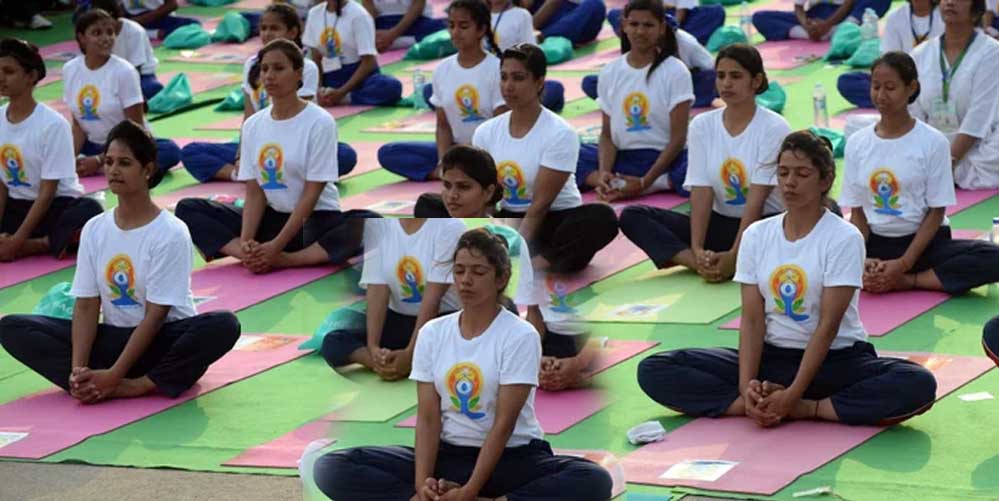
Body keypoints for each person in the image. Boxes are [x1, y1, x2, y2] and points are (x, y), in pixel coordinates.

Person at [636, 130, 938, 427]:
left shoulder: (844, 237)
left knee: (917, 382)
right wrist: (747, 387)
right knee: (655, 368)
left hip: (835, 361)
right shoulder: (756, 235)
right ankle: (753, 405)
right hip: (771, 359)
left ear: (825, 181)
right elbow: (752, 320)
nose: (789, 182)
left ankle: (811, 408)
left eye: (802, 174)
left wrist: (795, 396)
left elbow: (828, 326)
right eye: (783, 173)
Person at [313, 228, 613, 501]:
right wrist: (421, 485)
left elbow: (503, 425)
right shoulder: (432, 333)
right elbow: (428, 418)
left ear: (500, 279)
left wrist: (469, 491)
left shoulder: (520, 335)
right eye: (459, 271)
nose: (466, 281)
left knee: (593, 479)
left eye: (478, 272)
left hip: (511, 458)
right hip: (447, 456)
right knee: (331, 466)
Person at [0, 120, 241, 403]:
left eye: (124, 163)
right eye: (109, 161)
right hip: (114, 339)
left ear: (148, 170)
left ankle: (139, 384)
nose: (113, 170)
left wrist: (116, 375)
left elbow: (155, 316)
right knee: (12, 327)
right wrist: (78, 368)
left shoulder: (170, 232)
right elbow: (87, 304)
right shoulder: (95, 228)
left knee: (224, 324)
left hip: (162, 341)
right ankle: (87, 382)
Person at [174, 40, 377, 274]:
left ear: (298, 73)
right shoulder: (253, 125)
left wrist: (277, 248)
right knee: (187, 208)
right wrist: (247, 242)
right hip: (271, 219)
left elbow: (311, 194)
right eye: (265, 69)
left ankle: (288, 260)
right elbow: (255, 191)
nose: (269, 76)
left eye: (279, 68)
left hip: (313, 223)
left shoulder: (319, 122)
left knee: (369, 221)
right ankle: (250, 256)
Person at [413, 146, 596, 391]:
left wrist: (530, 358)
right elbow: (431, 300)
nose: (452, 195)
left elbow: (531, 312)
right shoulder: (444, 231)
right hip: (450, 322)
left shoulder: (508, 239)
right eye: (446, 186)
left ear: (488, 192)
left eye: (463, 187)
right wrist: (412, 352)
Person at [619, 44, 789, 283]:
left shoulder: (773, 127)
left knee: (813, 224)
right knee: (632, 216)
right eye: (721, 76)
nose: (726, 83)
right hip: (719, 224)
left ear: (756, 80)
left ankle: (736, 261)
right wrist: (698, 250)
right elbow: (701, 191)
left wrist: (734, 255)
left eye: (736, 76)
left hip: (762, 225)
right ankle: (700, 264)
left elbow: (756, 200)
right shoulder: (702, 125)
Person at [841, 52, 999, 294]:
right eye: (876, 87)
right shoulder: (857, 143)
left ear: (911, 88)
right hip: (876, 242)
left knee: (993, 257)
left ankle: (912, 281)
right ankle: (881, 273)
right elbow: (858, 213)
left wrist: (903, 266)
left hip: (924, 243)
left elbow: (936, 213)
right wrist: (861, 259)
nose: (881, 95)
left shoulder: (933, 142)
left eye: (890, 88)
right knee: (820, 250)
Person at [472, 43, 619, 273]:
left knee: (602, 217)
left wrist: (513, 252)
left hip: (554, 222)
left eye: (518, 78)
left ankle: (535, 265)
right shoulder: (486, 132)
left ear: (539, 82)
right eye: (504, 77)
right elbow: (485, 198)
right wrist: (483, 229)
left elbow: (540, 205)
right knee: (434, 205)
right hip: (510, 219)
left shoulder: (559, 132)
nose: (508, 86)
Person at [179, 3, 357, 184]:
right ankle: (243, 175)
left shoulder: (306, 67)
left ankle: (272, 173)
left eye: (274, 28)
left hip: (297, 145)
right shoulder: (251, 64)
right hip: (261, 145)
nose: (267, 33)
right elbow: (249, 117)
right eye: (263, 28)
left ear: (292, 32)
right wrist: (242, 157)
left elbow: (298, 117)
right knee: (191, 151)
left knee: (345, 155)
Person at [320, 218, 466, 381]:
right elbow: (377, 288)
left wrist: (410, 354)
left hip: (438, 321)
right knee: (334, 341)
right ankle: (386, 365)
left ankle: (412, 361)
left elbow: (432, 299)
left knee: (460, 350)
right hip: (398, 320)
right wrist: (374, 349)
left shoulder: (449, 227)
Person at [577, 1, 695, 203]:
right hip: (623, 158)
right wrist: (604, 172)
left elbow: (678, 139)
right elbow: (607, 135)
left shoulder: (675, 70)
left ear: (661, 28)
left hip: (667, 159)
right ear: (624, 26)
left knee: (706, 162)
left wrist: (645, 182)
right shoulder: (610, 71)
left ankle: (655, 184)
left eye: (648, 25)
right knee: (564, 152)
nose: (640, 31)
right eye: (634, 24)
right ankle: (608, 182)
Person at [378, 0, 506, 182]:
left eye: (463, 26)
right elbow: (443, 126)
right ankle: (448, 174)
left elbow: (500, 127)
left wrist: (467, 152)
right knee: (389, 153)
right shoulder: (442, 69)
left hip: (488, 152)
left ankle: (462, 174)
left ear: (481, 30)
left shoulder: (496, 69)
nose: (455, 32)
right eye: (451, 26)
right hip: (455, 151)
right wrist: (443, 161)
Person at [0, 38, 103, 262]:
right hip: (17, 206)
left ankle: (38, 244)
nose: (1, 78)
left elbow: (47, 192)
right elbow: (1, 185)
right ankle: (51, 241)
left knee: (90, 210)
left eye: (8, 71)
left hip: (54, 206)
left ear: (31, 76)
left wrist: (17, 242)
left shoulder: (53, 125)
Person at [64, 9, 180, 180]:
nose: (106, 38)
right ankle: (113, 165)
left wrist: (99, 160)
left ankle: (113, 164)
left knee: (170, 151)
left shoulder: (124, 71)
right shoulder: (70, 69)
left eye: (110, 32)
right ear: (81, 38)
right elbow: (78, 125)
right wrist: (67, 163)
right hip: (93, 144)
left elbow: (135, 128)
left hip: (127, 144)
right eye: (97, 33)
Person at [909, 0, 999, 189]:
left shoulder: (992, 53)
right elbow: (912, 110)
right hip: (934, 145)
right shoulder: (920, 54)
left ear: (976, 11)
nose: (950, 2)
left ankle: (946, 171)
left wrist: (948, 162)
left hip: (981, 144)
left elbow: (980, 115)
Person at [583, 10, 716, 109]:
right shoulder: (640, 38)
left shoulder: (686, 43)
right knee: (591, 82)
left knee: (713, 78)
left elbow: (712, 67)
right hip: (640, 88)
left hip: (679, 88)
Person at [837, 0, 944, 109]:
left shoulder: (944, 16)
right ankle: (903, 101)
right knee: (846, 81)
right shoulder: (895, 17)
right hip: (901, 79)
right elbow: (889, 59)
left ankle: (898, 102)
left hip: (936, 79)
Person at [303, 0, 404, 107]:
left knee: (391, 87)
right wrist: (318, 90)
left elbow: (369, 62)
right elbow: (316, 59)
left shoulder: (359, 15)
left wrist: (342, 93)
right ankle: (328, 97)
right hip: (329, 75)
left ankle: (346, 98)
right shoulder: (314, 13)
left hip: (358, 78)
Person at [87, 0, 163, 100]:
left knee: (150, 88)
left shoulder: (134, 31)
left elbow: (136, 69)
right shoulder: (96, 34)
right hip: (112, 75)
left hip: (141, 75)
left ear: (112, 16)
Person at [752, 0, 891, 41]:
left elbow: (848, 3)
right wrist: (806, 25)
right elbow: (798, 7)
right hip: (815, 15)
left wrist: (828, 24)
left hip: (844, 14)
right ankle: (813, 34)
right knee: (760, 17)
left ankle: (843, 29)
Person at [607, 0, 724, 46]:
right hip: (649, 16)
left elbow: (681, 12)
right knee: (614, 14)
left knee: (716, 12)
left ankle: (668, 39)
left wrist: (672, 28)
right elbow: (637, 8)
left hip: (681, 18)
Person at [362, 0, 446, 51]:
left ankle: (387, 42)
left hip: (414, 21)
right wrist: (371, 33)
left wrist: (392, 34)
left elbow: (417, 7)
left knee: (444, 27)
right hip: (383, 23)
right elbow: (369, 10)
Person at [528, 0, 607, 46]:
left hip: (573, 18)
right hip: (548, 29)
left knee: (595, 4)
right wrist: (552, 3)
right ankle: (542, 38)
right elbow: (530, 26)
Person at [121, 0, 200, 39]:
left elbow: (172, 5)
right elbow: (119, 8)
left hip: (157, 15)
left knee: (193, 25)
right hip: (132, 17)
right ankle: (154, 33)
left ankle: (148, 33)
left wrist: (139, 20)